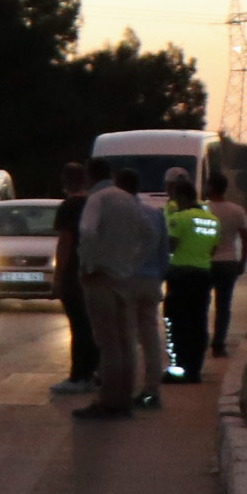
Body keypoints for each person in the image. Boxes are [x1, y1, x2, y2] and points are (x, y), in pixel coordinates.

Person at [75, 166, 169, 417]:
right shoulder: (129, 201)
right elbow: (151, 237)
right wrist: (133, 262)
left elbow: (87, 231)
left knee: (108, 342)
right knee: (126, 340)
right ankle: (126, 396)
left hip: (102, 276)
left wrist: (89, 265)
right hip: (125, 278)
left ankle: (109, 400)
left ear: (90, 177)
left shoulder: (98, 199)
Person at [162, 169, 215, 385]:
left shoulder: (179, 218)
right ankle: (195, 370)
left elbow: (170, 245)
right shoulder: (212, 219)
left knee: (176, 324)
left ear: (181, 197)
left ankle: (178, 369)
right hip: (203, 274)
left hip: (180, 275)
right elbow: (213, 249)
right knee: (198, 323)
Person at [50, 163, 97, 393]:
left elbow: (65, 242)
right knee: (92, 324)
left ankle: (78, 376)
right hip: (95, 271)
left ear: (65, 181)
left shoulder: (69, 206)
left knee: (78, 326)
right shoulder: (94, 203)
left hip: (74, 274)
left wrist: (58, 277)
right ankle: (93, 373)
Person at [205, 166, 247, 357]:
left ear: (211, 187)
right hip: (228, 263)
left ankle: (200, 339)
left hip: (206, 263)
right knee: (224, 306)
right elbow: (246, 240)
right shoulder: (237, 210)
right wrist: (242, 262)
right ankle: (219, 343)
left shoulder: (203, 209)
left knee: (202, 303)